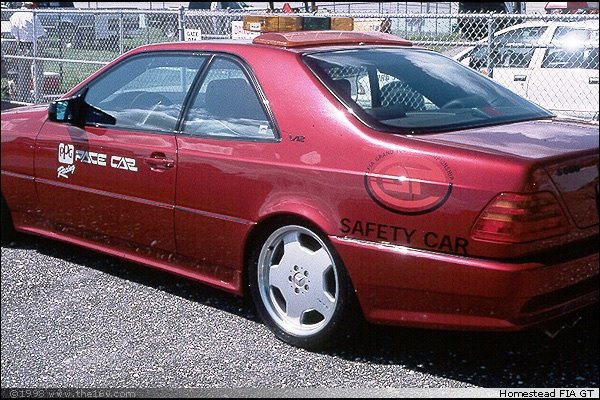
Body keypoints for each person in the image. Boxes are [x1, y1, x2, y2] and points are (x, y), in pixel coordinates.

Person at [9, 2, 46, 103]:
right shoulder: (32, 15)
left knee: (23, 73)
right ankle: (38, 97)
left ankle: (22, 96)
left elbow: (12, 32)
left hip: (20, 46)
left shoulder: (14, 15)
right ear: (32, 6)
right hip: (33, 46)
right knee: (37, 72)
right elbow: (40, 33)